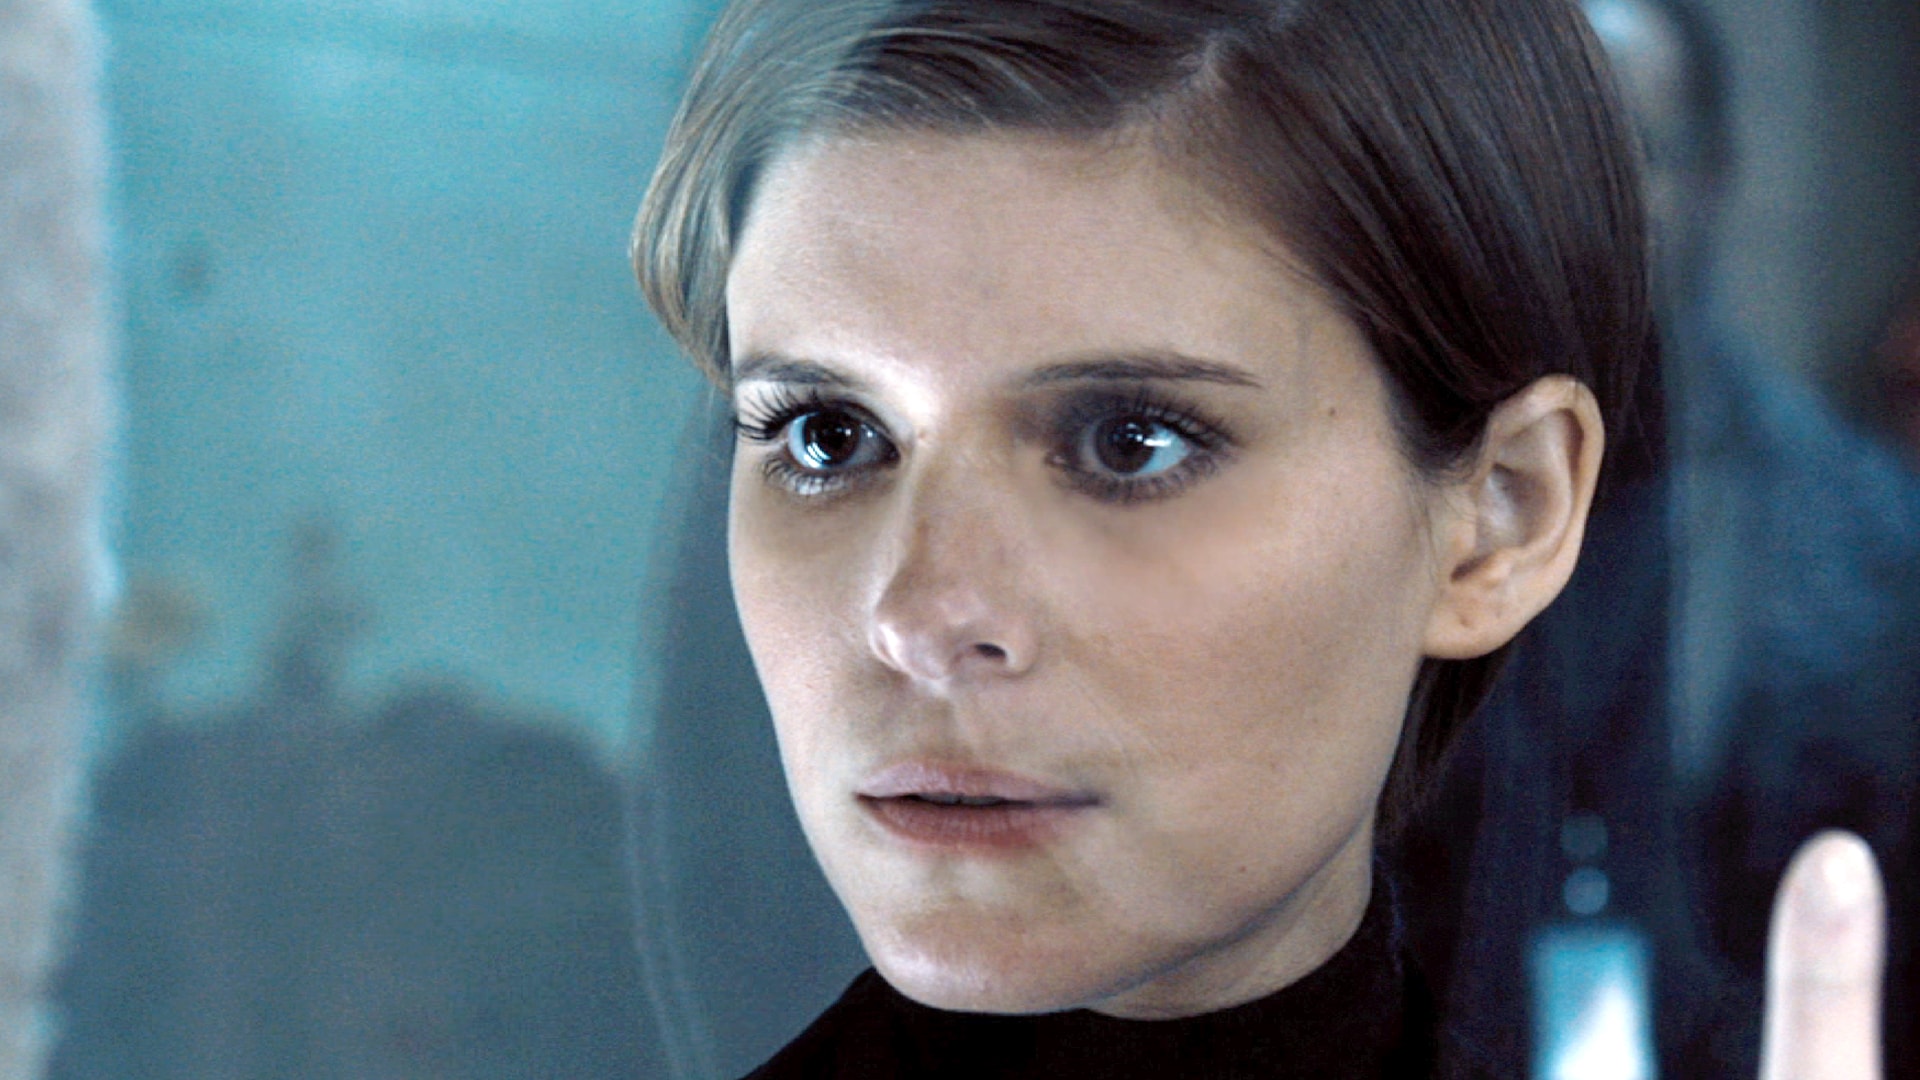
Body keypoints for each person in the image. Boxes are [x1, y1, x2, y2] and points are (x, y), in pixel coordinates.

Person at [629, 0, 1888, 1075]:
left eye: (1130, 443)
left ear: (1503, 515)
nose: (918, 615)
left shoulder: (1835, 562)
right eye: (828, 436)